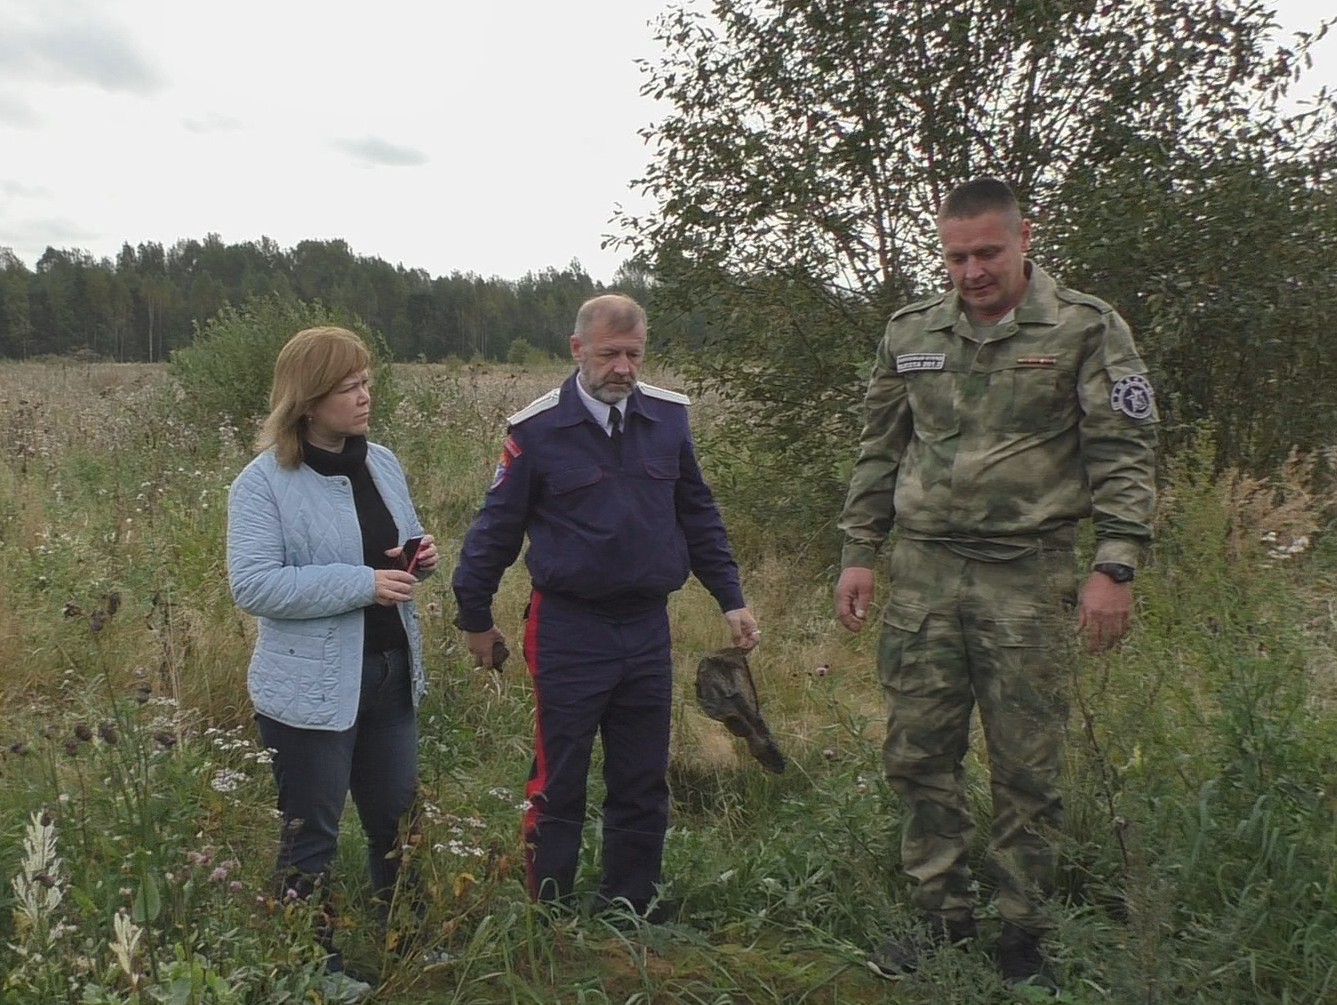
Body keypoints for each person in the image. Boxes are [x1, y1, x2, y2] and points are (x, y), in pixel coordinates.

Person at [835, 178, 1157, 991]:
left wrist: (1113, 564)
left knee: (1026, 767)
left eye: (986, 252)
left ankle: (1023, 933)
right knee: (917, 755)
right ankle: (940, 919)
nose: (971, 271)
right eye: (955, 255)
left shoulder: (1085, 326)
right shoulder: (910, 332)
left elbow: (1122, 452)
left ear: (1024, 239)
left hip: (1028, 575)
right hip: (922, 577)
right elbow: (879, 447)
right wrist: (858, 550)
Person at [451, 293, 759, 919]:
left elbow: (697, 514)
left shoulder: (668, 420)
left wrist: (731, 599)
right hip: (569, 629)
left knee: (642, 777)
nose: (622, 367)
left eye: (634, 354)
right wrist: (475, 617)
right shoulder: (535, 431)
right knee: (559, 777)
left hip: (646, 628)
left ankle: (631, 907)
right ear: (577, 350)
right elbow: (494, 533)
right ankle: (551, 910)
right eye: (609, 354)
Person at [227, 326, 438, 1002]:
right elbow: (254, 585)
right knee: (310, 833)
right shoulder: (262, 485)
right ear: (309, 398)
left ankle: (410, 944)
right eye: (350, 387)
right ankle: (309, 968)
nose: (365, 396)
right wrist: (361, 582)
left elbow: (392, 550)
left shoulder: (384, 462)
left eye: (366, 381)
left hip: (388, 677)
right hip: (307, 690)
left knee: (397, 824)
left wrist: (417, 558)